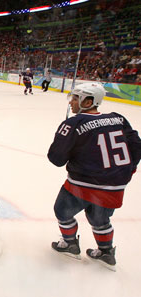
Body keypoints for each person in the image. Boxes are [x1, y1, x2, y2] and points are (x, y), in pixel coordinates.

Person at [48, 82, 141, 271]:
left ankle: (70, 244)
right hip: (114, 186)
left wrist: (65, 136)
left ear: (88, 101)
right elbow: (137, 145)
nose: (71, 102)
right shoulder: (119, 119)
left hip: (81, 184)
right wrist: (128, 169)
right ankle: (106, 252)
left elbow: (56, 159)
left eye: (75, 98)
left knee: (62, 212)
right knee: (100, 219)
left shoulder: (74, 123)